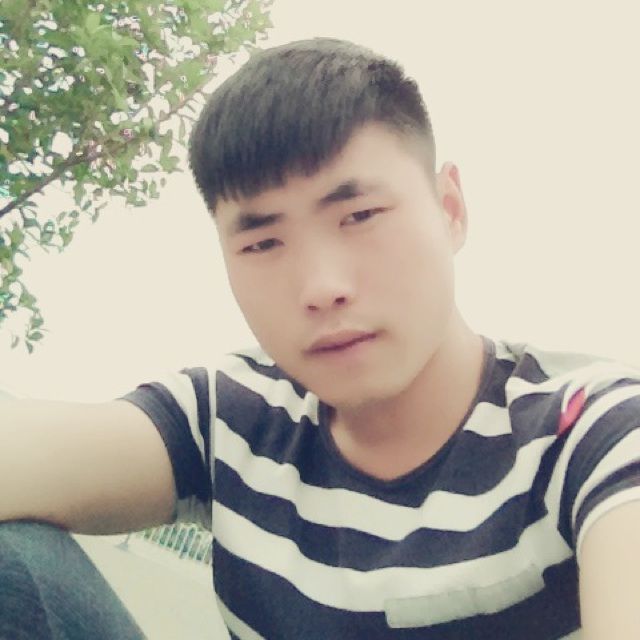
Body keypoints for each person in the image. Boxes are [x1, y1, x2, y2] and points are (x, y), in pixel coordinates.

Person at [2, 37, 640, 640]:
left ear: (449, 209)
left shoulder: (591, 433)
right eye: (263, 243)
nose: (321, 286)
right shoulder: (232, 418)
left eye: (360, 216)